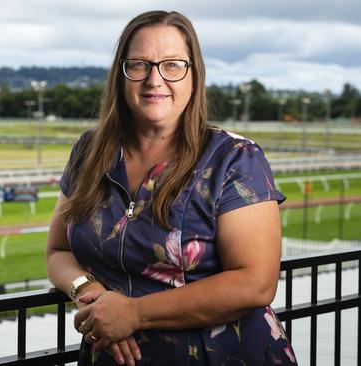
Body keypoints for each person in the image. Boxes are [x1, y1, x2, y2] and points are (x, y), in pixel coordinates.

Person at [45, 10, 297, 366]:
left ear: (194, 77)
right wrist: (89, 292)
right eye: (139, 65)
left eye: (173, 65)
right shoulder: (89, 151)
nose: (154, 80)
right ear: (121, 76)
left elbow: (255, 283)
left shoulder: (235, 159)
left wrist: (132, 314)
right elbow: (57, 250)